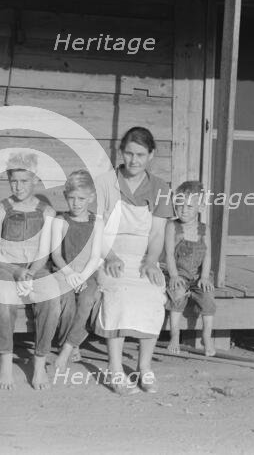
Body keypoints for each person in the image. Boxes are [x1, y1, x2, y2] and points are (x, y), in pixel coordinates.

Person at [94, 126, 173, 394]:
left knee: (153, 292)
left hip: (142, 257)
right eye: (129, 153)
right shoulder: (106, 183)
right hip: (108, 254)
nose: (134, 160)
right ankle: (115, 370)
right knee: (118, 294)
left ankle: (144, 367)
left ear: (151, 155)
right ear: (121, 153)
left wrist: (151, 262)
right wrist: (110, 256)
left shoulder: (160, 187)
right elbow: (97, 229)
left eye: (140, 154)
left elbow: (158, 232)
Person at [0, 152, 59, 390]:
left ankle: (39, 362)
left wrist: (31, 272)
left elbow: (45, 252)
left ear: (36, 180)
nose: (18, 186)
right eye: (14, 181)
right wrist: (15, 272)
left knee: (51, 298)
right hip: (6, 267)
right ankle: (5, 360)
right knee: (5, 300)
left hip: (36, 268)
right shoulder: (0, 209)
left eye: (24, 181)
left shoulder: (47, 212)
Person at [52, 170, 104, 372]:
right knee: (66, 302)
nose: (76, 203)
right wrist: (70, 275)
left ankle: (67, 348)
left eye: (81, 198)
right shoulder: (60, 221)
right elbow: (56, 255)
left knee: (87, 300)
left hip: (87, 273)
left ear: (90, 198)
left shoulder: (96, 222)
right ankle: (71, 343)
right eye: (71, 198)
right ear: (65, 197)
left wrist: (82, 277)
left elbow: (95, 256)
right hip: (63, 272)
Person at [164, 180, 216, 356]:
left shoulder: (204, 229)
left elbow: (207, 255)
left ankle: (206, 336)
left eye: (189, 206)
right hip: (178, 274)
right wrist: (173, 275)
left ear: (200, 207)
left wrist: (205, 277)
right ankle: (174, 335)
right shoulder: (173, 226)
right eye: (179, 205)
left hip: (198, 276)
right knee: (177, 295)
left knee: (208, 297)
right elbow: (169, 254)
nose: (183, 209)